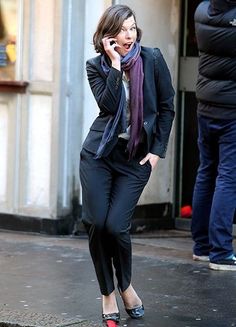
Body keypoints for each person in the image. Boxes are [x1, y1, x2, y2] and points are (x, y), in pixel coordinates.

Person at [79, 4, 175, 324]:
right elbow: (108, 106)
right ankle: (109, 292)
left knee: (116, 226)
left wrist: (157, 152)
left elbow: (166, 108)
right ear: (108, 36)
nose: (129, 35)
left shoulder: (153, 59)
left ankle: (126, 285)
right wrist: (116, 66)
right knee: (95, 221)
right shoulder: (97, 66)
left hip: (135, 158)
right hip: (100, 155)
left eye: (133, 28)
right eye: (122, 30)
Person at [191, 0, 236, 270]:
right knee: (228, 176)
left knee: (206, 172)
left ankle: (202, 246)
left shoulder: (201, 11)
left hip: (205, 106)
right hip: (231, 109)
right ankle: (220, 252)